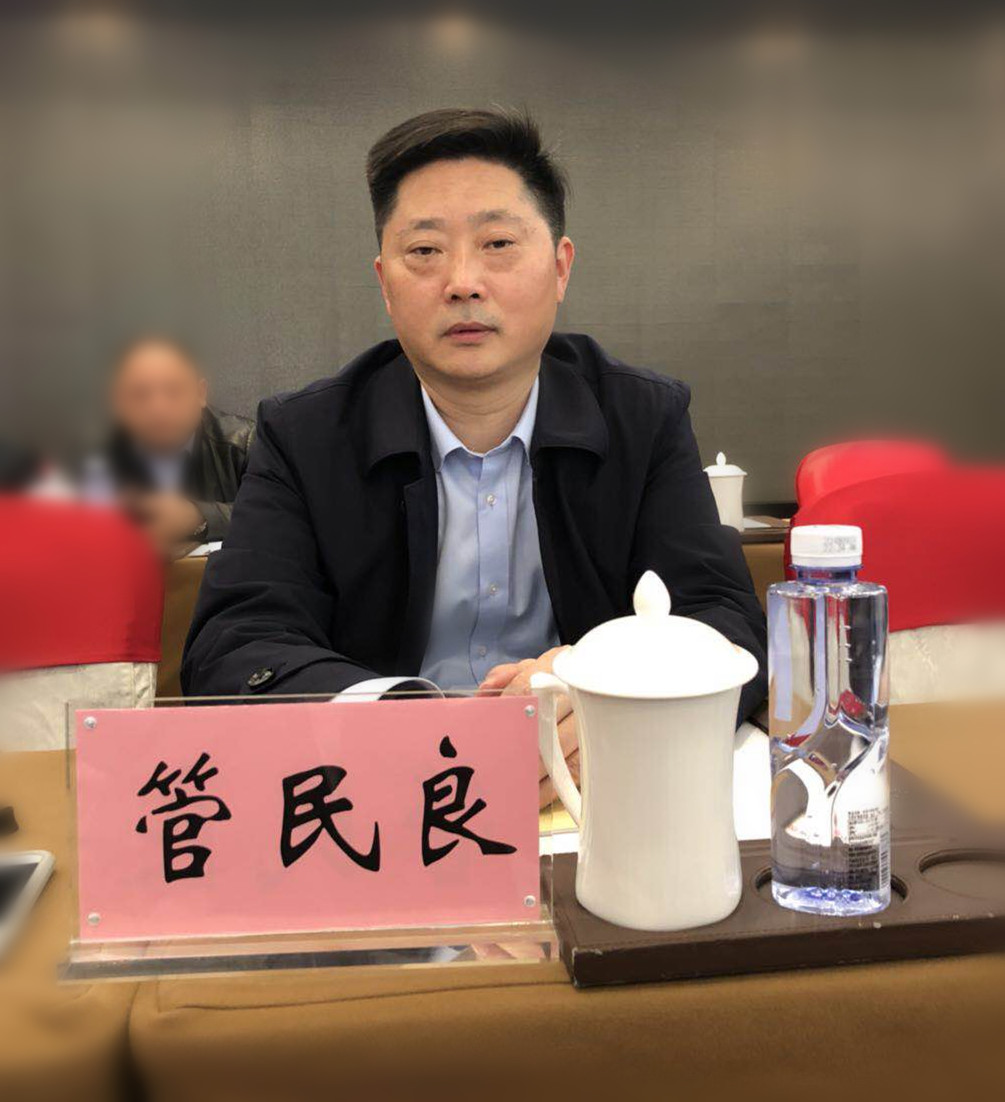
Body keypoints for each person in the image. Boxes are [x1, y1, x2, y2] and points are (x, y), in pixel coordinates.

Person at [183, 108, 767, 803]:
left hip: (588, 794)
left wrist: (607, 688)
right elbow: (235, 646)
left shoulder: (641, 419)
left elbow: (726, 623)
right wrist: (402, 718)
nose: (462, 281)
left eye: (497, 243)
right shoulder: (306, 435)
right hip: (385, 796)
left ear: (560, 267)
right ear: (384, 282)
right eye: (425, 251)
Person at [100, 338, 254, 554]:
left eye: (174, 391)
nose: (158, 408)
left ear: (200, 393)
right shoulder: (95, 456)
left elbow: (279, 519)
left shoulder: (244, 443)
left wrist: (199, 517)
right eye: (140, 395)